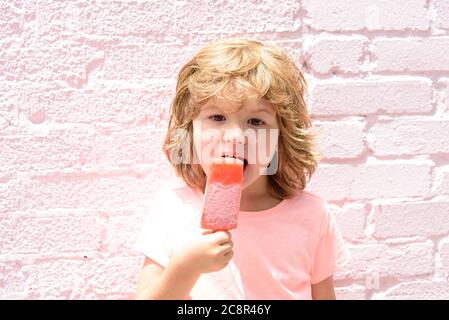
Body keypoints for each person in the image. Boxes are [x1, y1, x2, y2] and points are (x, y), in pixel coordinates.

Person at [133, 38, 351, 300]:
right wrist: (187, 266)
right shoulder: (172, 209)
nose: (236, 136)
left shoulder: (312, 215)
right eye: (217, 117)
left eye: (256, 121)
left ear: (281, 138)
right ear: (189, 132)